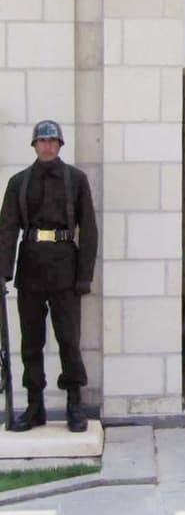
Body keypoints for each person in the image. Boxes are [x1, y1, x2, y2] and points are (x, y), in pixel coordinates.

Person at [0, 121, 98, 432]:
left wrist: (84, 276)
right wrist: (3, 271)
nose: (47, 146)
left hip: (65, 267)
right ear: (34, 145)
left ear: (60, 145)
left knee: (68, 338)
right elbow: (7, 228)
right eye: (42, 141)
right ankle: (34, 405)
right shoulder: (19, 182)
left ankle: (74, 403)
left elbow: (89, 230)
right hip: (30, 267)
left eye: (53, 140)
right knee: (31, 341)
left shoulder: (76, 179)